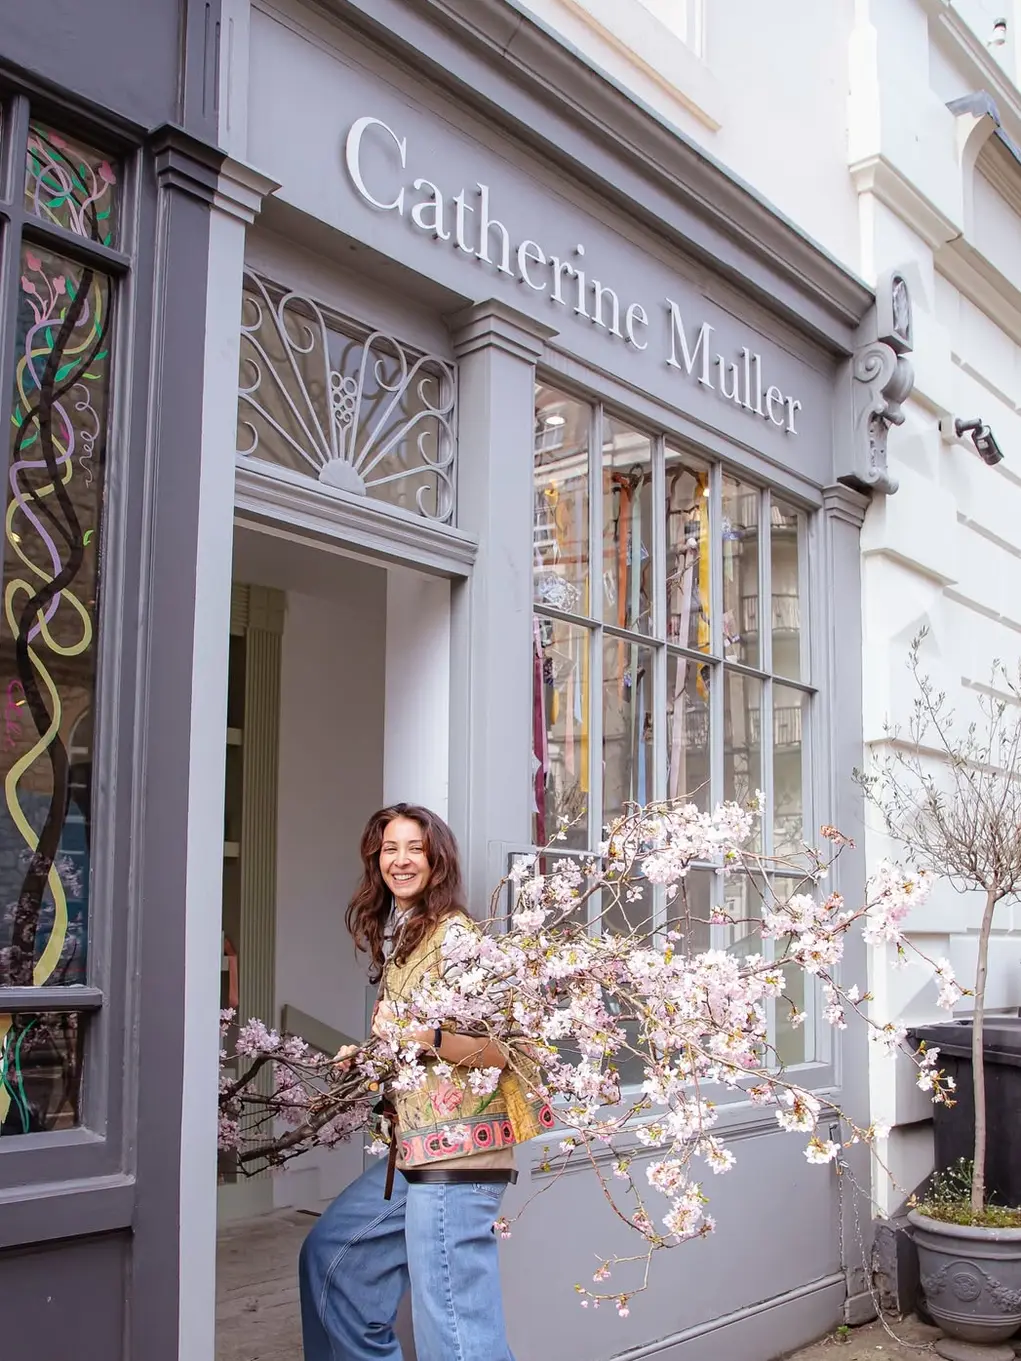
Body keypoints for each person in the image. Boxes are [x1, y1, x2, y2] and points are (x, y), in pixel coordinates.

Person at [298, 803, 553, 1361]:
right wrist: (368, 1056)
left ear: (437, 861)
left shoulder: (458, 937)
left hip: (458, 1154)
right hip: (410, 1148)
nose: (401, 859)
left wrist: (420, 1037)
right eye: (390, 848)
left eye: (414, 848)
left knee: (455, 1330)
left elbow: (503, 1047)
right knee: (334, 1258)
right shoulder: (401, 938)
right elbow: (411, 1040)